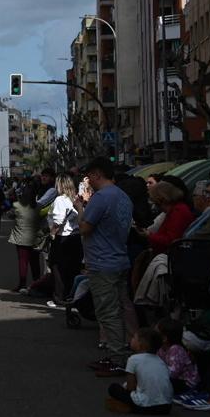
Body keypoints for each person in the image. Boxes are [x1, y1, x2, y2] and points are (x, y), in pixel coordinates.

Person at [80, 158, 135, 377]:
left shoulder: (101, 197)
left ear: (96, 174)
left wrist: (80, 208)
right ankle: (119, 353)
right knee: (119, 309)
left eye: (88, 177)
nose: (88, 182)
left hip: (103, 262)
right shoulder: (123, 196)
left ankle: (117, 358)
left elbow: (85, 227)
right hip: (120, 258)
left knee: (108, 312)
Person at [105, 327, 173, 415]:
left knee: (113, 388)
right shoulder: (160, 361)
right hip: (166, 407)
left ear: (140, 345)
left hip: (145, 405)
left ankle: (134, 407)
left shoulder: (133, 359)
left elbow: (130, 387)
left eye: (134, 338)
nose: (131, 339)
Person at [47, 173, 82, 306]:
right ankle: (71, 296)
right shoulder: (75, 199)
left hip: (62, 238)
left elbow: (58, 221)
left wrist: (52, 233)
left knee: (57, 267)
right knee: (73, 268)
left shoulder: (60, 200)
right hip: (76, 238)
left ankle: (59, 297)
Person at [8, 181, 43, 293]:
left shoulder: (17, 206)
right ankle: (37, 283)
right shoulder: (39, 206)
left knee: (23, 261)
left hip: (21, 238)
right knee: (35, 262)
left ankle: (22, 284)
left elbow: (10, 215)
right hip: (35, 238)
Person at [141, 180, 194, 254]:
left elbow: (171, 240)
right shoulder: (175, 210)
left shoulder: (178, 211)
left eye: (155, 201)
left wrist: (149, 235)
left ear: (161, 199)